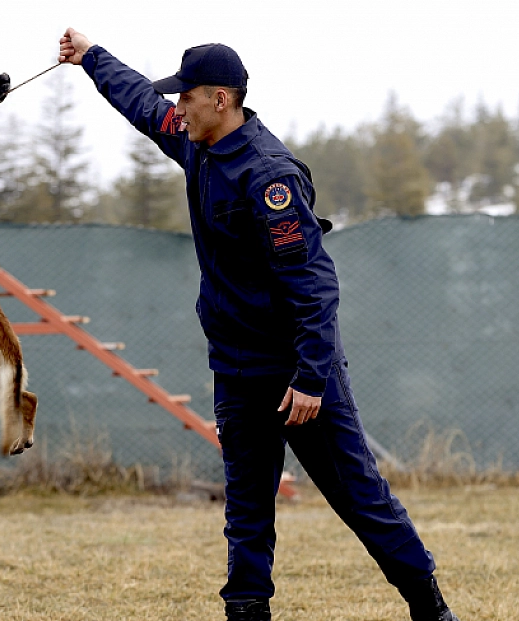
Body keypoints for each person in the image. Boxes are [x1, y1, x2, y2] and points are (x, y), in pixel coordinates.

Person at [58, 29, 460, 621]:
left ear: (221, 99)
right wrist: (91, 56)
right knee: (246, 508)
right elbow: (143, 104)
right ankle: (247, 613)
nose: (178, 108)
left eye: (187, 97)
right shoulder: (198, 144)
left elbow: (314, 285)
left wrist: (313, 378)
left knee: (360, 499)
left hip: (297, 373)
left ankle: (431, 610)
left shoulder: (269, 177)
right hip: (238, 369)